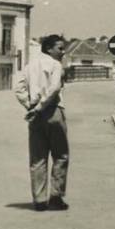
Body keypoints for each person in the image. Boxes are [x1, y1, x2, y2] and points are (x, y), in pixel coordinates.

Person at [15, 34, 69, 211]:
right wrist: (40, 107)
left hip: (35, 117)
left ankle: (39, 200)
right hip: (53, 111)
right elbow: (54, 89)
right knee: (60, 155)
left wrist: (30, 105)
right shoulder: (55, 65)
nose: (63, 52)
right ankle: (55, 197)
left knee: (38, 158)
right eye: (60, 48)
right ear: (49, 49)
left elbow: (18, 89)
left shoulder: (29, 66)